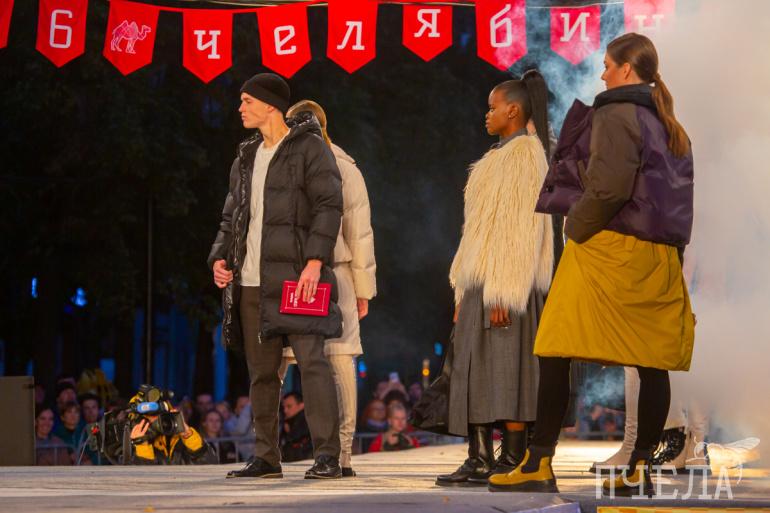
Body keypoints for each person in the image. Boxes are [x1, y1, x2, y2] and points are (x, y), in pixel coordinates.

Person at [489, 33, 695, 497]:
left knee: (554, 346)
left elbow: (608, 188)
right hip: (657, 253)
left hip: (609, 246)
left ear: (626, 69)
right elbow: (678, 203)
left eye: (606, 65)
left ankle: (538, 462)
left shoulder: (617, 113)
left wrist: (575, 227)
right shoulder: (669, 123)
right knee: (651, 361)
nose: (602, 74)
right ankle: (639, 469)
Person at [208, 72, 344, 480]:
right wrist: (219, 258)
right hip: (251, 281)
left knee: (312, 364)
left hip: (297, 277)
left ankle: (327, 456)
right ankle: (266, 457)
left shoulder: (309, 148)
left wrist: (315, 261)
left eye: (247, 101)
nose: (240, 108)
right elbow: (231, 217)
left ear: (270, 105)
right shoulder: (246, 156)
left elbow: (329, 205)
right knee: (262, 373)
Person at [436, 70, 554, 488]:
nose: (486, 114)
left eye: (492, 107)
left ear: (513, 110)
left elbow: (520, 228)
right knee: (475, 370)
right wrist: (463, 290)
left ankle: (513, 456)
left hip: (506, 281)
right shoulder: (494, 158)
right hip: (480, 280)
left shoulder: (525, 156)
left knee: (508, 370)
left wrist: (504, 289)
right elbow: (476, 229)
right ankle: (480, 457)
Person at [280, 99, 377, 478]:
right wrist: (363, 288)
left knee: (309, 359)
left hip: (321, 274)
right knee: (334, 360)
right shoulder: (340, 165)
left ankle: (334, 454)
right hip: (327, 273)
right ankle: (340, 455)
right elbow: (361, 233)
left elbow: (359, 231)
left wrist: (362, 288)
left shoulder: (318, 165)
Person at [279, 392, 313, 462]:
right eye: (283, 407)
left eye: (289, 406)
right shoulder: (286, 422)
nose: (285, 410)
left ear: (301, 405)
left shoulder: (306, 421)